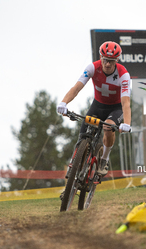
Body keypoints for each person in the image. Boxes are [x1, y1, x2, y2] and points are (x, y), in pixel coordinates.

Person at [57, 41, 132, 177]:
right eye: (105, 60)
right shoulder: (92, 68)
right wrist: (63, 103)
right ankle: (76, 161)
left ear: (117, 60)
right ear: (100, 57)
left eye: (111, 61)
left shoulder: (123, 75)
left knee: (108, 127)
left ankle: (104, 159)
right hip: (97, 105)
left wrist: (126, 123)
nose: (107, 64)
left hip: (115, 109)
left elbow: (126, 102)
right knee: (83, 135)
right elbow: (77, 88)